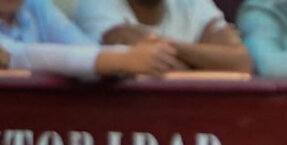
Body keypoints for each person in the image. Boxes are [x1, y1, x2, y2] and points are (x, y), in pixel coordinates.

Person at [0, 0, 179, 76]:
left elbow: (83, 47)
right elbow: (18, 55)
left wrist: (136, 56)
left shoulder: (35, 6)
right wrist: (122, 59)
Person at [74, 0, 253, 72]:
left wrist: (162, 46)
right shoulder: (96, 4)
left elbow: (241, 62)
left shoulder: (192, 3)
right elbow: (157, 69)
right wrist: (208, 61)